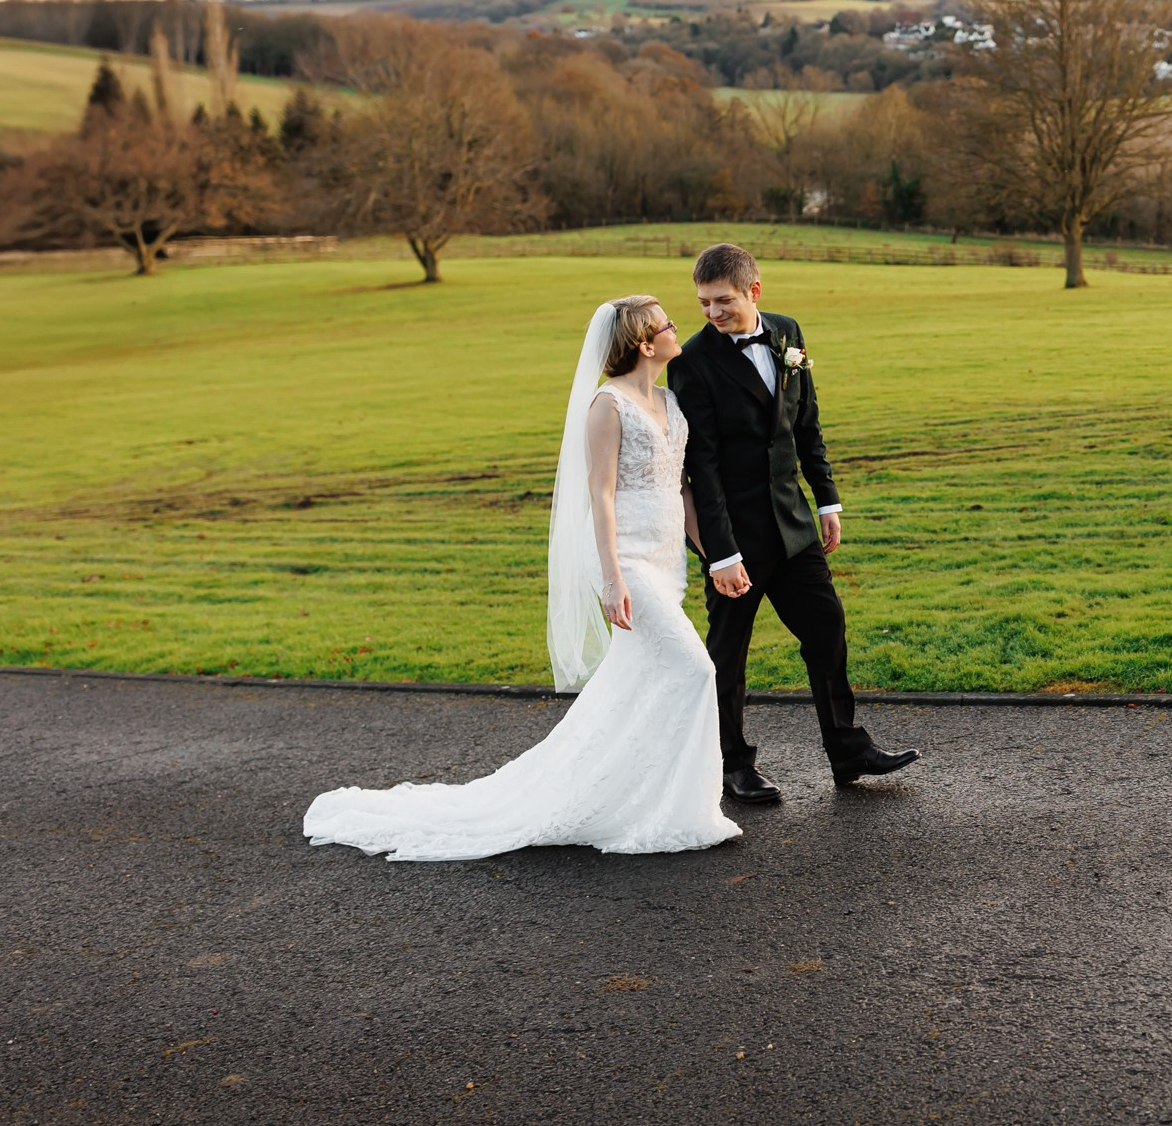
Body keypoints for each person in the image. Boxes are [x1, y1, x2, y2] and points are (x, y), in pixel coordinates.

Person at [303, 296, 740, 861]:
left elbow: (681, 491)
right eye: (666, 324)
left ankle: (631, 797)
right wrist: (612, 577)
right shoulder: (607, 406)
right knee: (694, 669)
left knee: (642, 680)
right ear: (642, 341)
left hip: (665, 560)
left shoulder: (670, 401)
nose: (677, 327)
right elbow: (600, 495)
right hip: (624, 557)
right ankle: (686, 809)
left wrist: (715, 556)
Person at [669, 243, 919, 804]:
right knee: (728, 656)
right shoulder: (692, 363)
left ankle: (848, 750)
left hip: (795, 525)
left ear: (754, 292)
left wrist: (827, 500)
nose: (712, 312)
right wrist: (720, 554)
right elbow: (701, 469)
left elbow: (807, 424)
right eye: (704, 302)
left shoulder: (787, 332)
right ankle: (732, 767)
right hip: (734, 540)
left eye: (723, 300)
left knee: (826, 631)